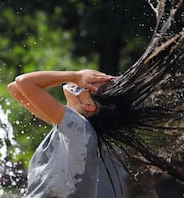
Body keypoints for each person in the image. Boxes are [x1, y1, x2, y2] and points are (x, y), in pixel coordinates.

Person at [7, 69, 114, 198]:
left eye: (88, 84)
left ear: (89, 105)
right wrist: (74, 78)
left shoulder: (80, 129)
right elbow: (16, 88)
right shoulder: (72, 130)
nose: (83, 81)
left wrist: (75, 76)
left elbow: (24, 82)